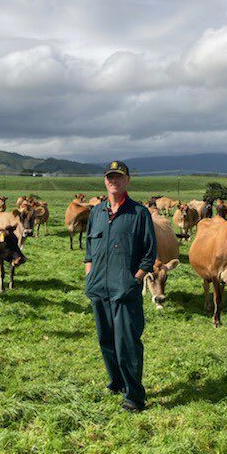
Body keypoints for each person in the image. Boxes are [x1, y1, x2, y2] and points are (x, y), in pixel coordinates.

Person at [84, 161, 156, 411]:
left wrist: (136, 278)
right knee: (105, 339)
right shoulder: (96, 212)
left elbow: (149, 252)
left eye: (119, 177)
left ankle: (134, 396)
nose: (113, 181)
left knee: (127, 342)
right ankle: (116, 382)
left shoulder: (139, 213)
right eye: (110, 177)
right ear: (105, 181)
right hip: (99, 287)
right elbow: (89, 249)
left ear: (127, 181)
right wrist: (89, 275)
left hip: (124, 288)